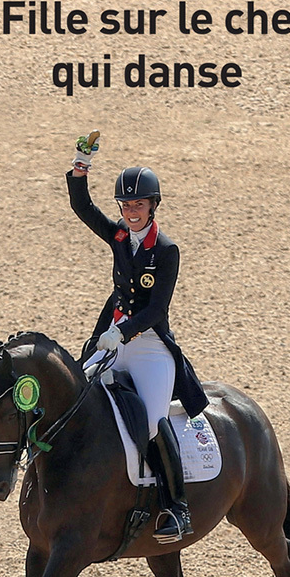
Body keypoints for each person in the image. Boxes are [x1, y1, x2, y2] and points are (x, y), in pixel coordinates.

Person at [65, 132, 208, 542]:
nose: (131, 212)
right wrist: (81, 166)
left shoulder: (166, 250)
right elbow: (81, 206)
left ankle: (177, 509)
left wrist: (122, 333)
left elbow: (156, 310)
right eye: (126, 206)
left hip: (148, 349)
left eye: (138, 205)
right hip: (112, 338)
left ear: (153, 205)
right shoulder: (119, 238)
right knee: (78, 400)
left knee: (150, 422)